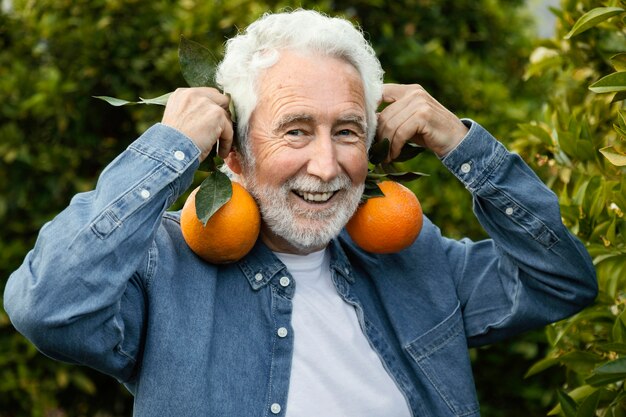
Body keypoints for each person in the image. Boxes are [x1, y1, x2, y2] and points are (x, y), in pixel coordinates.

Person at [4, 9, 596, 417]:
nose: (325, 165)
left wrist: (460, 144)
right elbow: (48, 305)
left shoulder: (410, 257)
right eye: (295, 130)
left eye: (347, 131)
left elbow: (561, 280)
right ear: (235, 147)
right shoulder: (165, 269)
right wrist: (168, 151)